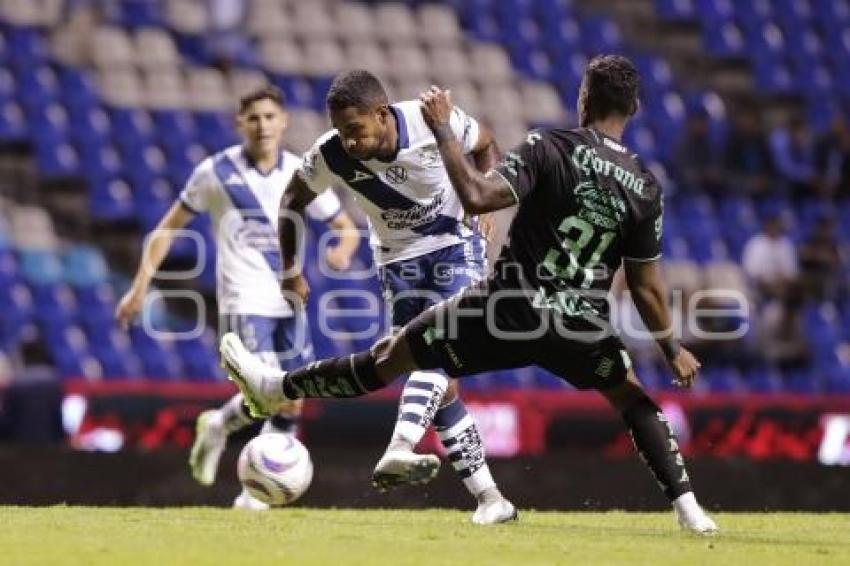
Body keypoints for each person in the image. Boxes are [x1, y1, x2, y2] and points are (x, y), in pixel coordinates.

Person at [220, 56, 719, 534]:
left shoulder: (547, 145)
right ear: (634, 109)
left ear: (583, 99)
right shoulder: (647, 187)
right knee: (631, 399)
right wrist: (672, 350)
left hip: (508, 309)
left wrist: (444, 133)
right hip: (578, 322)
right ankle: (690, 511)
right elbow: (646, 287)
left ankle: (291, 394)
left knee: (395, 357)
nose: (350, 140)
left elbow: (481, 192)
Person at [272, 70, 516, 525]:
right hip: (396, 263)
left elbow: (485, 143)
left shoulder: (428, 122)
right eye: (342, 131)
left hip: (454, 243)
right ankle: (491, 500)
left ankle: (399, 447)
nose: (348, 142)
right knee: (439, 379)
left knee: (436, 355)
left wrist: (487, 199)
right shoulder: (330, 153)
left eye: (356, 131)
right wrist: (289, 268)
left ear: (382, 115)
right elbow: (291, 200)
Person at [114, 86, 360, 510]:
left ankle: (242, 468)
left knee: (292, 397)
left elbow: (346, 227)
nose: (263, 125)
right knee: (268, 391)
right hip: (243, 298)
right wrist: (140, 285)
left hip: (290, 297)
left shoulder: (303, 172)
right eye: (254, 118)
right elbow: (166, 229)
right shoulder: (215, 172)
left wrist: (342, 249)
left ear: (283, 122)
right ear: (239, 123)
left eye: (270, 117)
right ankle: (242, 464)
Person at [741, 213, 798, 301]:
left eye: (777, 225)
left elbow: (791, 272)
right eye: (772, 225)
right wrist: (768, 281)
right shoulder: (756, 244)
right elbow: (751, 271)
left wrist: (782, 280)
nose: (775, 228)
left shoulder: (785, 244)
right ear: (767, 226)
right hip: (761, 284)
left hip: (782, 284)